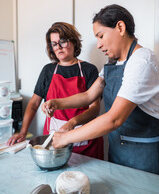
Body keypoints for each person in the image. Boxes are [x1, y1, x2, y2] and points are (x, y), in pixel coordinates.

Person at [41, 5, 159, 175]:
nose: (98, 44)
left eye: (101, 36)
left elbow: (114, 119)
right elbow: (89, 95)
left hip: (143, 153)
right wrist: (57, 103)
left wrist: (65, 138)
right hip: (118, 150)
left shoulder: (142, 61)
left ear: (120, 27)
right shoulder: (113, 63)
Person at [7, 22, 104, 160]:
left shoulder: (89, 70)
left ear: (74, 42)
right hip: (55, 141)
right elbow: (34, 104)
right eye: (54, 44)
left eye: (62, 41)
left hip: (85, 142)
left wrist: (72, 123)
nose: (58, 47)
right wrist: (23, 131)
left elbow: (94, 109)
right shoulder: (48, 71)